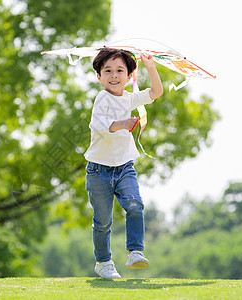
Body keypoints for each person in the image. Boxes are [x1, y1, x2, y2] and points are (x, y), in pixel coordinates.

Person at [84, 48, 163, 279]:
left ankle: (135, 251)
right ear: (99, 76)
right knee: (103, 221)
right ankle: (104, 262)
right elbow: (100, 126)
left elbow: (156, 92)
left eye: (120, 70)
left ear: (129, 76)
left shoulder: (129, 97)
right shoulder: (102, 98)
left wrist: (150, 66)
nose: (114, 75)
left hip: (124, 167)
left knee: (135, 204)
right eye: (107, 70)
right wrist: (123, 123)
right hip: (98, 170)